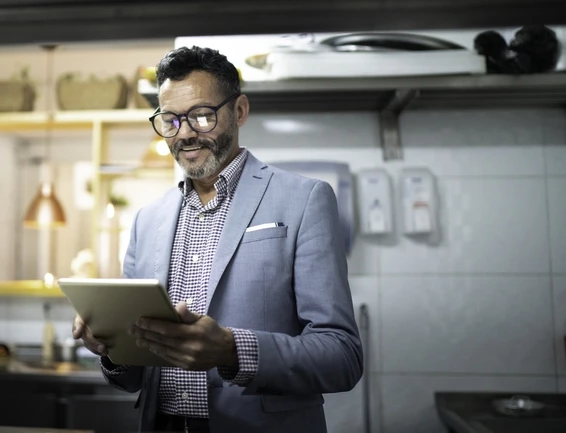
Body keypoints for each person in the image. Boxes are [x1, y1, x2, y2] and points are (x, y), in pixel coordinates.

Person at [72, 45, 363, 433]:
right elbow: (132, 378)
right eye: (171, 120)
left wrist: (232, 350)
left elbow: (342, 356)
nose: (186, 134)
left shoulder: (305, 199)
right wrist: (110, 348)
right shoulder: (147, 220)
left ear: (239, 110)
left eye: (202, 116)